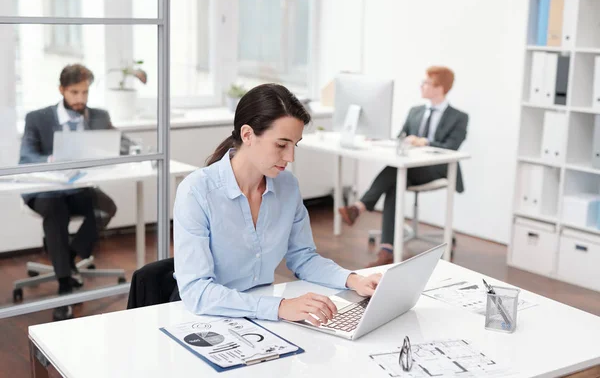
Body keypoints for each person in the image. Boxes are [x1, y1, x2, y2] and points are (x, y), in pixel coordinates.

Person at [174, 83, 381, 326]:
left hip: (264, 315)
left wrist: (353, 280)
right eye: (281, 145)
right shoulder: (197, 191)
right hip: (210, 317)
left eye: (295, 144)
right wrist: (280, 307)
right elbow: (196, 292)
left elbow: (303, 257)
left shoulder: (287, 186)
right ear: (248, 135)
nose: (290, 157)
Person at [19, 64, 127, 320]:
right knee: (56, 213)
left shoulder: (98, 116)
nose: (81, 99)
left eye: (85, 93)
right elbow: (26, 156)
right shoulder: (38, 118)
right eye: (74, 93)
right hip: (47, 190)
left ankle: (66, 256)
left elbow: (120, 142)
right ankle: (65, 287)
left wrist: (133, 148)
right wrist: (52, 160)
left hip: (78, 187)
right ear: (62, 90)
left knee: (105, 207)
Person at [338, 66, 469, 267]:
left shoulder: (458, 116)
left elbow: (451, 147)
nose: (422, 86)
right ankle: (387, 250)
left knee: (394, 172)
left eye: (426, 83)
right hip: (410, 166)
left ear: (440, 88)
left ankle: (360, 207)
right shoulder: (415, 111)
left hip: (438, 168)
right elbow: (401, 136)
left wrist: (424, 142)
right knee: (394, 180)